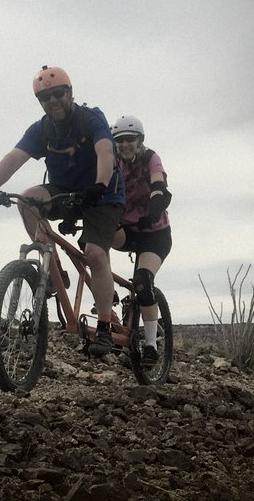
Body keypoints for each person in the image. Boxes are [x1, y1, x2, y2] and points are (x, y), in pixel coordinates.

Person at [0, 65, 125, 356]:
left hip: (103, 194)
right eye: (45, 98)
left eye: (58, 94)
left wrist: (100, 183)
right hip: (65, 190)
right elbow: (15, 157)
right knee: (27, 198)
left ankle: (105, 329)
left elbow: (105, 151)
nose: (53, 101)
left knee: (95, 253)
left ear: (69, 93)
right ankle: (54, 272)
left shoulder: (90, 118)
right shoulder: (41, 129)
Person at [110, 115, 172, 365]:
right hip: (128, 228)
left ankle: (150, 346)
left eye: (129, 139)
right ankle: (107, 301)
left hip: (154, 233)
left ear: (139, 140)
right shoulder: (113, 162)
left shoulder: (150, 159)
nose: (124, 144)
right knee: (96, 240)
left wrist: (154, 211)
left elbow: (159, 185)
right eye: (120, 140)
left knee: (143, 282)